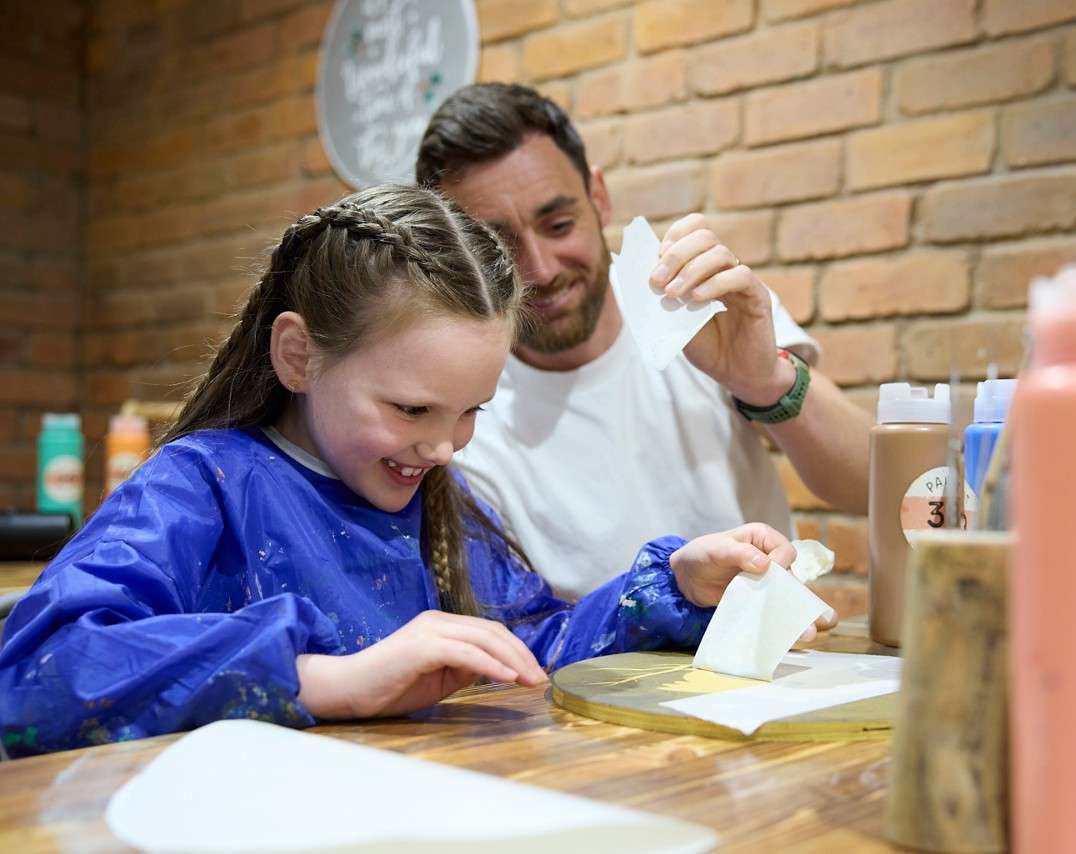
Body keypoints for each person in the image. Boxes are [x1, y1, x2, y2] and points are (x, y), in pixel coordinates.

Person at [0, 185, 802, 759]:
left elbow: (529, 646)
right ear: (298, 355)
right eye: (413, 411)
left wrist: (673, 587)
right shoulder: (200, 486)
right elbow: (37, 676)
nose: (447, 447)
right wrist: (327, 680)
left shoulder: (439, 503)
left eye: (470, 412)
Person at [416, 83, 873, 600]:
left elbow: (869, 487)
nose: (540, 269)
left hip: (765, 667)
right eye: (496, 245)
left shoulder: (691, 300)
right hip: (580, 678)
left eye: (559, 224)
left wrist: (765, 381)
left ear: (599, 198)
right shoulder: (457, 410)